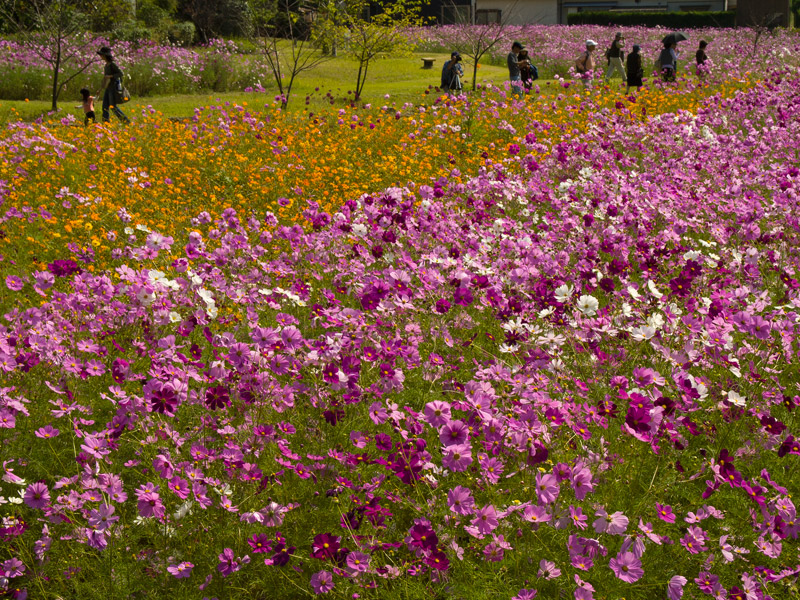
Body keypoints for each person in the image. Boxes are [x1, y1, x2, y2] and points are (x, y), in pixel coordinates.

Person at [96, 46, 130, 124]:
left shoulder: (112, 64)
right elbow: (105, 79)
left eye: (101, 55)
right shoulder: (106, 66)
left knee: (113, 106)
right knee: (104, 106)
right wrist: (100, 89)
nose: (100, 56)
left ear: (105, 55)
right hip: (107, 88)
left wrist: (111, 76)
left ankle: (126, 121)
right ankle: (106, 123)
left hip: (113, 88)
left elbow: (121, 73)